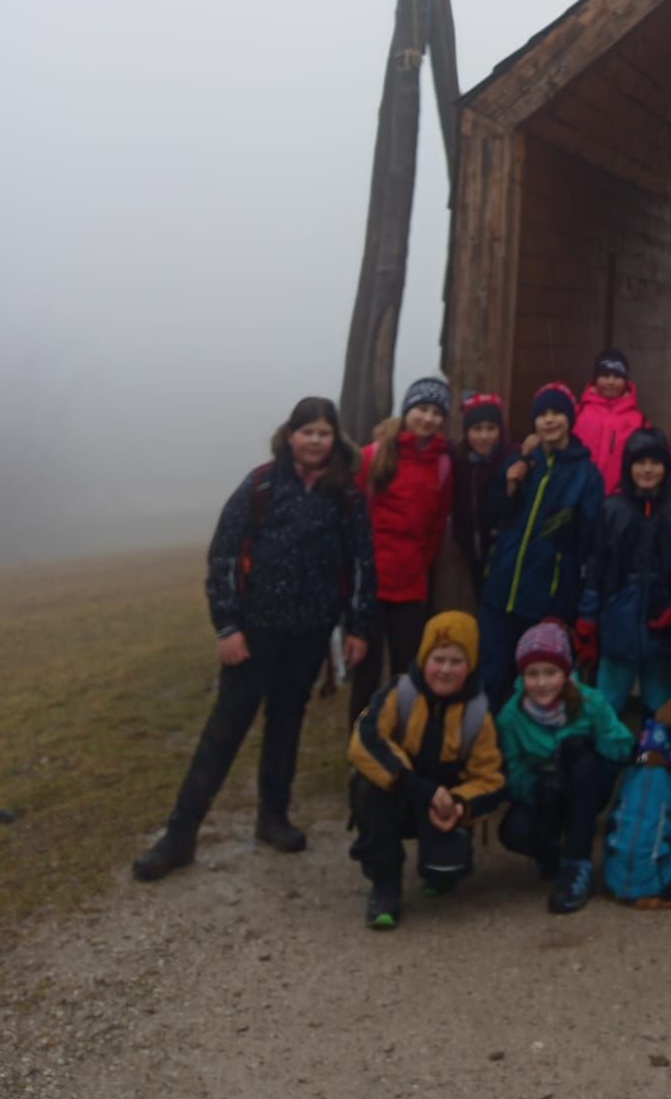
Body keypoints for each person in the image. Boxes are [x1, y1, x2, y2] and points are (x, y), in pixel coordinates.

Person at [133, 397, 375, 882]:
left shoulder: (346, 496)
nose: (315, 441)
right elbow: (223, 554)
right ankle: (180, 835)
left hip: (310, 633)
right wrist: (227, 627)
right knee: (224, 730)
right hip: (254, 632)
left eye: (324, 433)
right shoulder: (262, 484)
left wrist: (359, 627)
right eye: (307, 432)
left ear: (335, 439)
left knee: (287, 723)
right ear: (291, 435)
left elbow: (362, 565)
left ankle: (273, 818)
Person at [348, 610, 504, 929]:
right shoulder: (399, 692)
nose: (445, 670)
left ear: (471, 665)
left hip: (445, 808)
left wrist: (459, 805)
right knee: (367, 785)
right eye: (438, 659)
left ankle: (439, 868)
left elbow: (492, 780)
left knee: (445, 871)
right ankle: (385, 885)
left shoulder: (479, 714)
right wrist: (417, 787)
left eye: (456, 661)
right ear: (423, 658)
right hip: (401, 794)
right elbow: (364, 740)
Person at [495, 619, 634, 914]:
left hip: (587, 787)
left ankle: (576, 866)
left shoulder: (590, 702)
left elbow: (624, 746)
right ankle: (552, 853)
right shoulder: (510, 716)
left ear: (566, 672)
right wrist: (537, 785)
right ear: (522, 676)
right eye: (533, 674)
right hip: (545, 793)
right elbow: (512, 771)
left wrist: (591, 743)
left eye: (551, 672)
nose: (542, 683)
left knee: (584, 763)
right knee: (513, 830)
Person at [478, 383, 605, 706]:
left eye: (557, 413)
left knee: (536, 686)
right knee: (491, 678)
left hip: (546, 600)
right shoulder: (520, 462)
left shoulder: (586, 474)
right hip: (500, 593)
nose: (549, 420)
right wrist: (510, 484)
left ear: (569, 419)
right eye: (542, 414)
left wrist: (580, 605)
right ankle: (488, 738)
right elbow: (493, 515)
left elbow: (591, 541)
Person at [350, 377, 456, 728]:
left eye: (436, 413)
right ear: (407, 411)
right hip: (371, 584)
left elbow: (436, 526)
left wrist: (420, 565)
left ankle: (402, 736)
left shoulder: (442, 465)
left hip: (411, 584)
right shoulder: (374, 456)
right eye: (421, 409)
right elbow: (354, 517)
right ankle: (361, 740)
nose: (428, 418)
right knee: (366, 673)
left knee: (407, 670)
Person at [574, 427, 671, 714]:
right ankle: (607, 745)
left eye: (655, 462)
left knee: (660, 709)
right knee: (606, 707)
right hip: (618, 628)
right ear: (628, 467)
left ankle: (654, 745)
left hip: (664, 629)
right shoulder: (612, 509)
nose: (647, 470)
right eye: (640, 462)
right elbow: (596, 570)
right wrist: (588, 620)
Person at [603, 706, 671, 909]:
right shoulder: (667, 778)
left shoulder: (632, 770)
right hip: (650, 874)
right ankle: (653, 893)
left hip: (614, 877)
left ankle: (622, 885)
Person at [436, 392, 516, 610]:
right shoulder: (458, 458)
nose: (484, 436)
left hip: (501, 549)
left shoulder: (512, 458)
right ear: (466, 432)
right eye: (477, 429)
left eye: (491, 428)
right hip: (467, 548)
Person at [571, 350, 649, 496]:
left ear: (626, 381)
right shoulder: (578, 412)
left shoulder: (639, 420)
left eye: (617, 376)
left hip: (620, 498)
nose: (611, 382)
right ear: (595, 379)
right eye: (605, 376)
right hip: (578, 495)